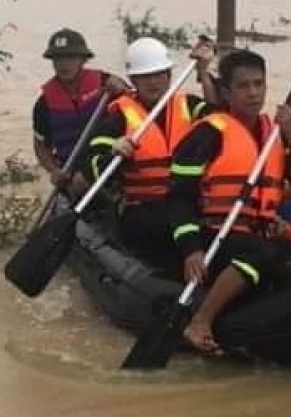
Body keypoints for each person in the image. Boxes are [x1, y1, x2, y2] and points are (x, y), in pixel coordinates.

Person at [167, 49, 291, 354]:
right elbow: (179, 197)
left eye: (259, 85)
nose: (253, 93)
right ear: (225, 92)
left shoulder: (274, 134)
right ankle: (200, 322)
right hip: (215, 235)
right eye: (244, 86)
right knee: (261, 255)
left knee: (287, 260)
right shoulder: (208, 132)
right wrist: (190, 249)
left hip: (257, 231)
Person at [84, 36, 218, 257]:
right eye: (146, 76)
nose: (154, 82)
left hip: (186, 203)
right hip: (143, 209)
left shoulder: (189, 105)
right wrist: (113, 152)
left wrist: (203, 72)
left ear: (169, 76)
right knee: (168, 226)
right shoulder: (118, 115)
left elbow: (221, 119)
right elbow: (92, 166)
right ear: (134, 80)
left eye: (159, 75)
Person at [31, 28, 127, 199]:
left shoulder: (107, 84)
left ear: (83, 59)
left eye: (70, 57)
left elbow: (137, 112)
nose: (64, 64)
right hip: (71, 181)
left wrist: (123, 89)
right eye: (58, 59)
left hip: (109, 170)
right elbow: (40, 146)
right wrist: (54, 170)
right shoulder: (43, 104)